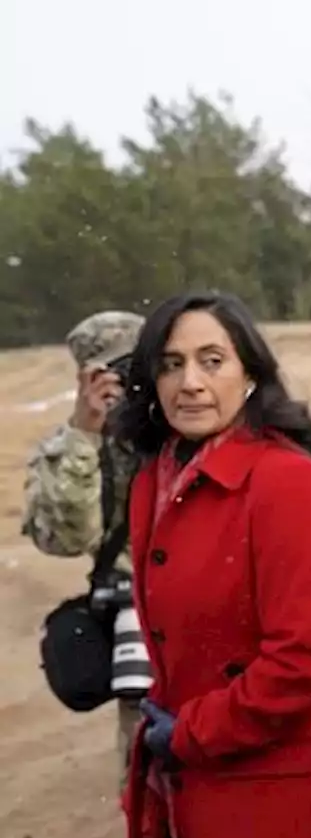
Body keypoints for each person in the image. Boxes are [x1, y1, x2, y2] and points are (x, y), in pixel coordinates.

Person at [114, 292, 311, 838]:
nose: (191, 383)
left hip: (275, 781)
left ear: (249, 373)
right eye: (171, 364)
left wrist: (191, 733)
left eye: (212, 360)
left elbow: (303, 661)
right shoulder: (154, 482)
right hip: (189, 773)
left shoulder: (286, 482)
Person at [21, 310, 149, 786]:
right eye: (117, 371)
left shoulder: (192, 413)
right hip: (141, 640)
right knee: (150, 788)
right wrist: (85, 431)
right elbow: (65, 538)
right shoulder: (80, 445)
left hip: (215, 630)